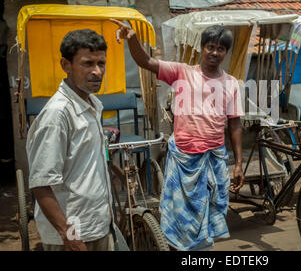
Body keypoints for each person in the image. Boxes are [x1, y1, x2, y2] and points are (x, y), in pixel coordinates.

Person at [111, 19, 245, 251]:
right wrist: (132, 39)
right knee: (177, 217)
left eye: (220, 48)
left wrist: (239, 163)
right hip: (183, 158)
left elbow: (235, 125)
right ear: (202, 48)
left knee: (207, 216)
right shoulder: (182, 72)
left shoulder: (231, 84)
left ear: (226, 52)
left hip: (213, 161)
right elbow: (145, 60)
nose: (214, 52)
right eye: (210, 46)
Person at [26, 29, 115, 251]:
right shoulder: (58, 114)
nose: (97, 72)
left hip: (97, 225)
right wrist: (71, 238)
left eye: (101, 63)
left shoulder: (93, 104)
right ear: (66, 65)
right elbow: (41, 184)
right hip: (73, 235)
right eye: (87, 63)